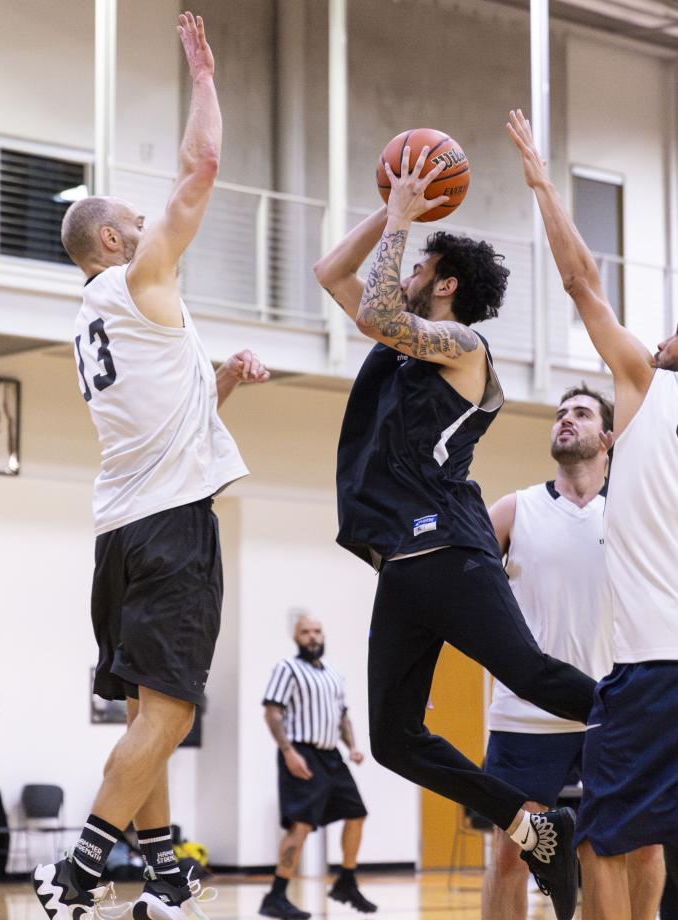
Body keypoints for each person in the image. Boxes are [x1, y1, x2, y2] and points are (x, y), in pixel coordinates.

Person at [313, 145, 597, 920]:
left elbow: (374, 307)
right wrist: (396, 205)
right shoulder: (399, 344)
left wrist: (407, 217)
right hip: (403, 561)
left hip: (449, 543)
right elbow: (332, 277)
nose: (398, 271)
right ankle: (530, 823)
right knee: (397, 738)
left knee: (535, 676)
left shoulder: (465, 350)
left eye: (413, 266)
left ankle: (657, 711)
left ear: (442, 285)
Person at [32, 13, 270, 920]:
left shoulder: (95, 318)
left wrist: (228, 381)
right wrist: (204, 81)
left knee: (147, 716)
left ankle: (165, 871)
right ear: (112, 243)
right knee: (170, 715)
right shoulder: (137, 280)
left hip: (121, 530)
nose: (148, 223)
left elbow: (178, 411)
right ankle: (80, 874)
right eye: (134, 221)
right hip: (171, 528)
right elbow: (199, 171)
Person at [508, 106, 678, 920]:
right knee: (646, 841)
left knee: (602, 841)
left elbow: (581, 283)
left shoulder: (648, 387)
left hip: (653, 668)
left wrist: (544, 183)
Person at [481, 385, 664, 920]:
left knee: (639, 848)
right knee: (511, 853)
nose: (565, 420)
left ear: (607, 437)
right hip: (524, 716)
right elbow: (456, 599)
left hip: (613, 714)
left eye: (581, 413)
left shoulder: (634, 512)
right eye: (560, 414)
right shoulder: (513, 510)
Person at [259, 614, 376, 920]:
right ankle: (276, 895)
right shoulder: (287, 669)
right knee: (301, 825)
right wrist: (288, 752)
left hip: (332, 757)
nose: (312, 636)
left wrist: (353, 747)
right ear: (296, 638)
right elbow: (272, 712)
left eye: (317, 631)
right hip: (301, 752)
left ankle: (346, 881)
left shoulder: (334, 674)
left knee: (357, 814)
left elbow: (343, 716)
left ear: (323, 635)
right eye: (305, 632)